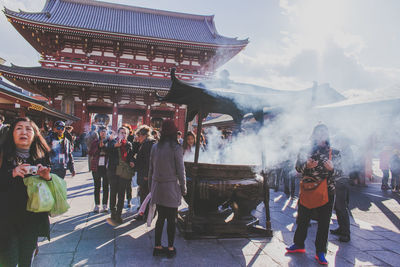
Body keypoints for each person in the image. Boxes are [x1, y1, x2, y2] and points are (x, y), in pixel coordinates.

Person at [286, 124, 342, 265]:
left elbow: (341, 173)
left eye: (324, 132)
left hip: (327, 191)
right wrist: (307, 166)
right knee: (303, 219)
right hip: (308, 190)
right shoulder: (305, 150)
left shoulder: (334, 152)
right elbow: (298, 167)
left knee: (324, 222)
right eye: (318, 132)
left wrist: (332, 168)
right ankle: (299, 244)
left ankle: (321, 251)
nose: (321, 135)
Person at [0, 117, 52, 267]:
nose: (24, 132)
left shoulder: (41, 155)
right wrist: (12, 173)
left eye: (28, 129)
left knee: (26, 262)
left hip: (31, 220)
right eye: (19, 128)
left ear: (35, 134)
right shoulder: (2, 154)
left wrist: (47, 177)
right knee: (8, 262)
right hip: (6, 221)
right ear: (12, 133)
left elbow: (50, 188)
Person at [148, 120, 186, 258]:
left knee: (160, 219)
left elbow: (150, 169)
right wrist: (183, 188)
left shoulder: (155, 147)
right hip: (171, 188)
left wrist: (150, 187)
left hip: (157, 187)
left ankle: (157, 246)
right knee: (171, 219)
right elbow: (181, 171)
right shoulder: (176, 148)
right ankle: (170, 248)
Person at [107, 126, 134, 224]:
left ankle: (119, 214)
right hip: (113, 171)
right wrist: (114, 146)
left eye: (125, 133)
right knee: (113, 192)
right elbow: (107, 150)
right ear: (118, 134)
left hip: (123, 172)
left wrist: (131, 161)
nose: (123, 134)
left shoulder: (128, 144)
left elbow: (131, 156)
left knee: (122, 193)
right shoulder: (113, 142)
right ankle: (113, 212)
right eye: (121, 132)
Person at [330, 138, 353, 242]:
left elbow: (342, 166)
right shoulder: (340, 150)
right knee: (337, 207)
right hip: (338, 180)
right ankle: (341, 228)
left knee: (341, 207)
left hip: (341, 180)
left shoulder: (343, 151)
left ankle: (346, 233)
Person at [135, 125, 156, 219]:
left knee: (145, 195)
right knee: (144, 194)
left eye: (139, 136)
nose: (138, 138)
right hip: (144, 173)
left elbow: (148, 162)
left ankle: (145, 214)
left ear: (144, 136)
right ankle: (144, 213)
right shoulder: (147, 144)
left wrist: (147, 175)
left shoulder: (148, 145)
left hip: (146, 174)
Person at [89, 126, 109, 213]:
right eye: (101, 131)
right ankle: (97, 204)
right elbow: (90, 152)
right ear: (99, 132)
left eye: (104, 131)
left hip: (106, 167)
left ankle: (105, 205)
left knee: (105, 186)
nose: (103, 133)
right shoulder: (95, 142)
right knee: (97, 186)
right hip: (96, 166)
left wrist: (106, 146)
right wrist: (98, 146)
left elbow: (112, 152)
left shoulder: (110, 141)